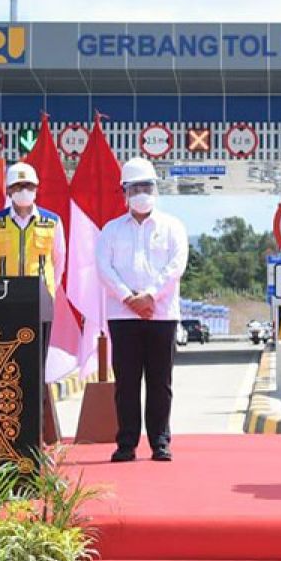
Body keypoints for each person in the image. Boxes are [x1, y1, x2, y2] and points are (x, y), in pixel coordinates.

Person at [95, 158, 189, 463]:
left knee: (160, 381)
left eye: (146, 186)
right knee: (127, 382)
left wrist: (149, 296)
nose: (141, 193)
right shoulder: (110, 230)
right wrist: (129, 298)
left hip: (161, 314)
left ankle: (160, 442)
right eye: (135, 187)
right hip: (122, 315)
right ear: (124, 192)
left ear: (156, 189)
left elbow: (176, 266)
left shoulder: (173, 226)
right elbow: (103, 268)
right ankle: (126, 444)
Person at [0, 162, 65, 294]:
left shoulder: (52, 222)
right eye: (18, 186)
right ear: (9, 190)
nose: (24, 191)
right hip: (4, 296)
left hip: (40, 296)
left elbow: (59, 260)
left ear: (36, 188)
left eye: (29, 186)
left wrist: (48, 290)